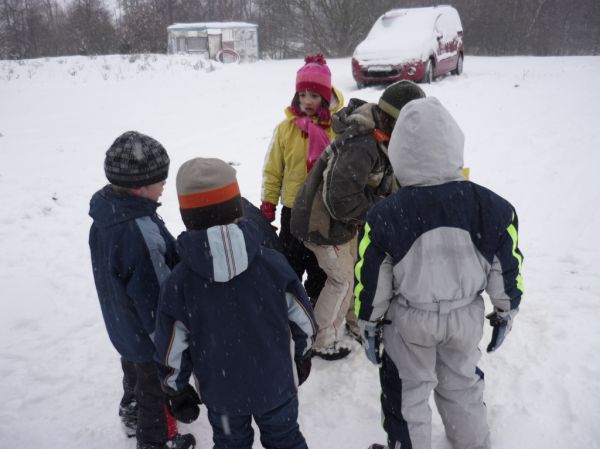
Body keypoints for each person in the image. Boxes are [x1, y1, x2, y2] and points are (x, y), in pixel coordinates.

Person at [354, 97, 524, 449]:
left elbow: (372, 279)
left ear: (399, 151)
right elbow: (505, 268)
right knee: (462, 383)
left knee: (408, 393)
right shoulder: (492, 207)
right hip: (465, 318)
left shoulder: (385, 215)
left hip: (410, 322)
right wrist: (506, 311)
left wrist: (369, 322)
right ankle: (472, 442)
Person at [154, 158, 317, 449]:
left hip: (222, 394)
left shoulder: (178, 283)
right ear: (236, 207)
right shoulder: (273, 265)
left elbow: (171, 348)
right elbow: (303, 319)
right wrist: (302, 353)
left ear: (187, 216)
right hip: (276, 384)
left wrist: (175, 389)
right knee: (285, 441)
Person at [290, 80, 426, 360]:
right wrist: (380, 211)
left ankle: (354, 322)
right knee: (340, 280)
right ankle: (320, 339)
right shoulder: (362, 144)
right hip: (321, 224)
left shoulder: (380, 137)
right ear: (394, 120)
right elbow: (340, 199)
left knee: (352, 273)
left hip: (341, 223)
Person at [88, 131, 195, 449]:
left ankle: (131, 410)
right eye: (160, 180)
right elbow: (158, 302)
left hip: (123, 325)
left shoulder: (108, 214)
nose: (165, 185)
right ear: (140, 185)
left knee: (134, 370)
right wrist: (170, 349)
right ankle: (156, 440)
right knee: (156, 394)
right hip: (149, 336)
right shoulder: (138, 231)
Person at [261, 54, 344, 305]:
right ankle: (292, 310)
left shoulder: (336, 130)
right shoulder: (285, 129)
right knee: (291, 262)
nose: (307, 101)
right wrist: (268, 201)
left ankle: (317, 309)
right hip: (293, 209)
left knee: (321, 267)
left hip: (323, 211)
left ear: (326, 97)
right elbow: (273, 169)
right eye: (303, 95)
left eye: (314, 96)